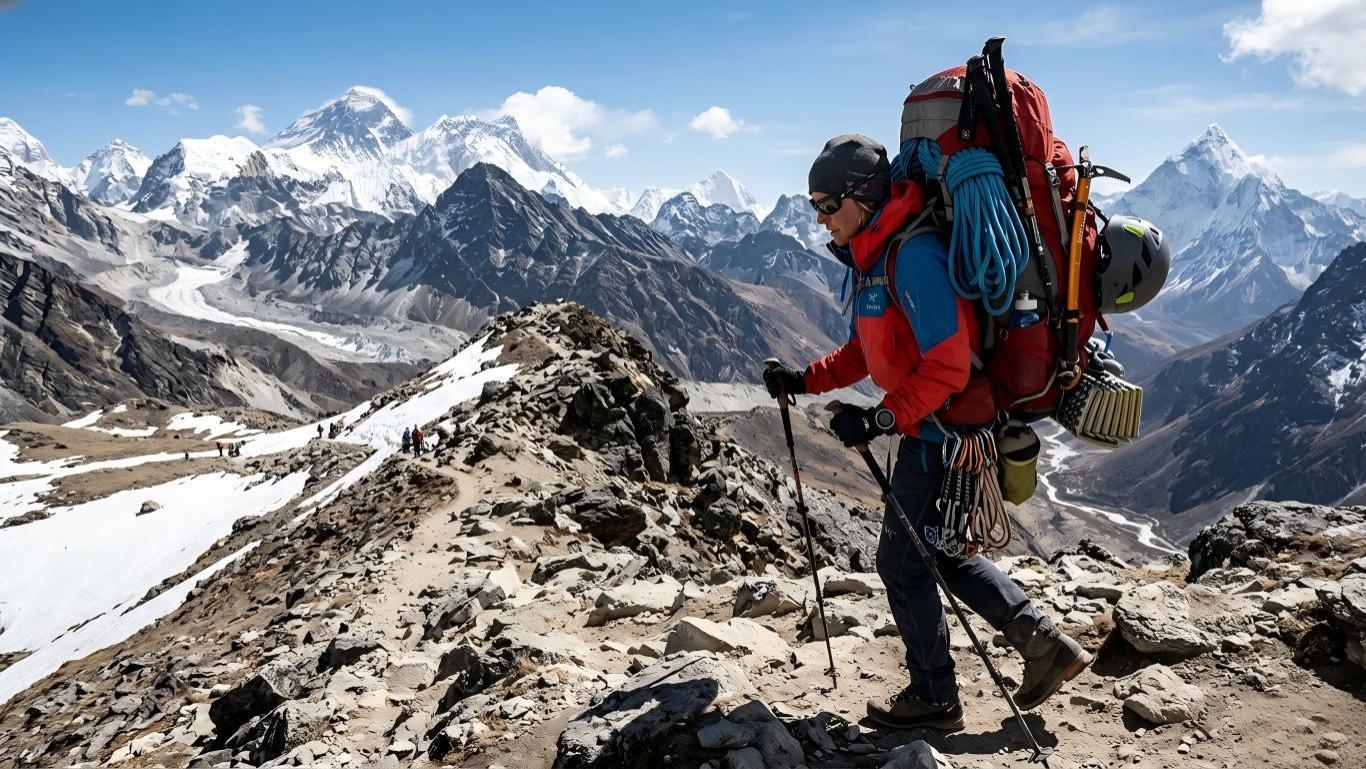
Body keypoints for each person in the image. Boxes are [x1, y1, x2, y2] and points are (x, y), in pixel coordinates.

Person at [762, 135, 1090, 732]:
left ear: (862, 196)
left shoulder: (912, 257)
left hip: (946, 432)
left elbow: (948, 365)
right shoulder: (874, 255)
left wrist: (881, 417)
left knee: (904, 561)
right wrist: (803, 381)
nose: (819, 218)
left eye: (827, 204)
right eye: (814, 205)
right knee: (933, 552)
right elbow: (869, 350)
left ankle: (936, 698)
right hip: (936, 428)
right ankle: (1044, 645)